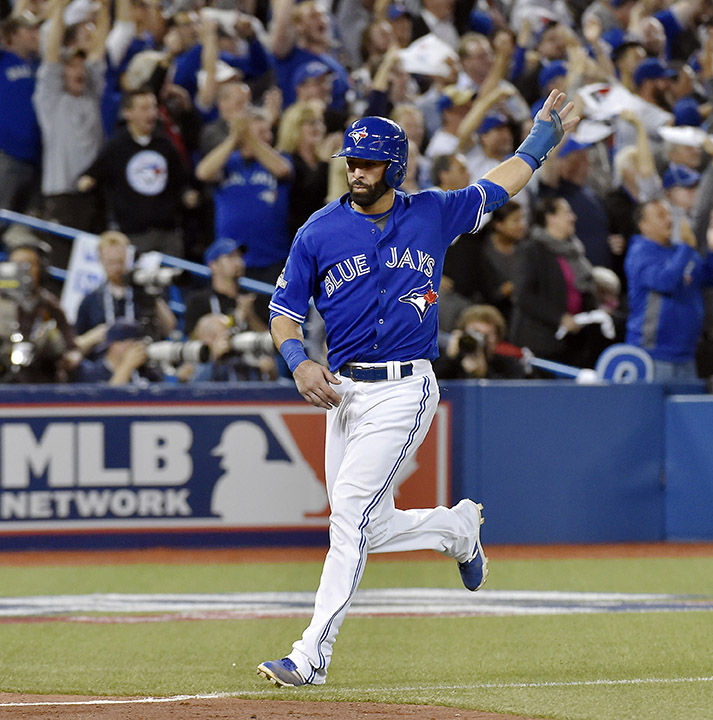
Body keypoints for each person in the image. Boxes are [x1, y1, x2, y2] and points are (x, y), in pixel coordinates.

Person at [258, 89, 579, 686]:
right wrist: (298, 360)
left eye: (368, 163)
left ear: (395, 166)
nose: (355, 171)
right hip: (342, 393)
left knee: (349, 515)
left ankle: (310, 656)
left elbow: (497, 186)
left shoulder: (432, 211)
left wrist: (540, 140)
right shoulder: (319, 230)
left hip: (406, 388)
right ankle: (457, 529)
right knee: (364, 526)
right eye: (350, 161)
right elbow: (283, 309)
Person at [625, 198, 713, 381]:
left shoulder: (680, 251)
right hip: (653, 356)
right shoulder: (640, 252)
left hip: (687, 356)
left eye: (669, 214)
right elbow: (665, 281)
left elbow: (707, 278)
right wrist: (687, 247)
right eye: (660, 215)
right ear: (643, 225)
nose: (669, 220)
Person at [510, 196, 600, 368]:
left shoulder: (574, 250)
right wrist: (560, 318)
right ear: (550, 217)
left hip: (573, 342)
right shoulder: (532, 250)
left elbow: (582, 289)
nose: (573, 217)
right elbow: (523, 296)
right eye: (567, 212)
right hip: (540, 343)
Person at [74, 230, 177, 354]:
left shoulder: (144, 291)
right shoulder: (91, 300)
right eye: (111, 262)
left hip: (142, 358)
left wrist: (151, 295)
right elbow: (76, 346)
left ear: (128, 258)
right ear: (101, 260)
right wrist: (92, 337)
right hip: (104, 363)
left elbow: (169, 327)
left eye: (120, 261)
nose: (116, 268)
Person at [183, 236, 265, 337]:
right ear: (213, 265)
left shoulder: (251, 299)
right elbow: (191, 340)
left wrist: (250, 316)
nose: (239, 262)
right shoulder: (199, 301)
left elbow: (269, 341)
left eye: (240, 257)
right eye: (231, 257)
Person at [433, 303, 528, 379]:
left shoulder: (509, 365)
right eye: (475, 333)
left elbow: (510, 395)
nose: (480, 340)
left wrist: (483, 372)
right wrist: (450, 357)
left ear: (498, 338)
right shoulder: (443, 360)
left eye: (486, 335)